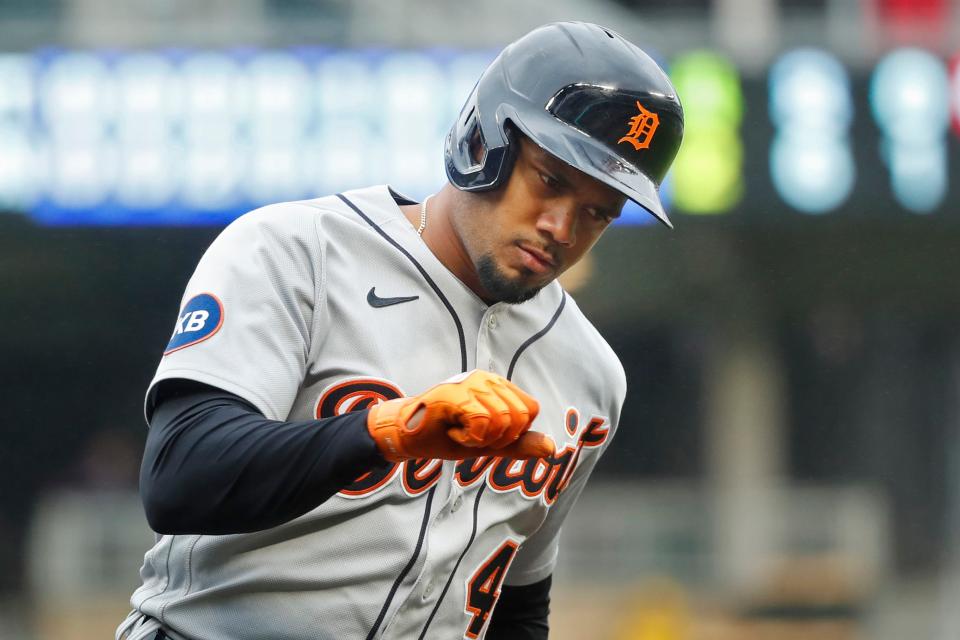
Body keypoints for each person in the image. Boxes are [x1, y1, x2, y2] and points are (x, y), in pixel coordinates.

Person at [116, 21, 683, 640]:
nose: (562, 226)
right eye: (550, 179)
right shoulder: (296, 250)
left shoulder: (590, 374)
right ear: (483, 140)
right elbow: (181, 477)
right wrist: (390, 429)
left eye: (598, 211)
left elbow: (516, 605)